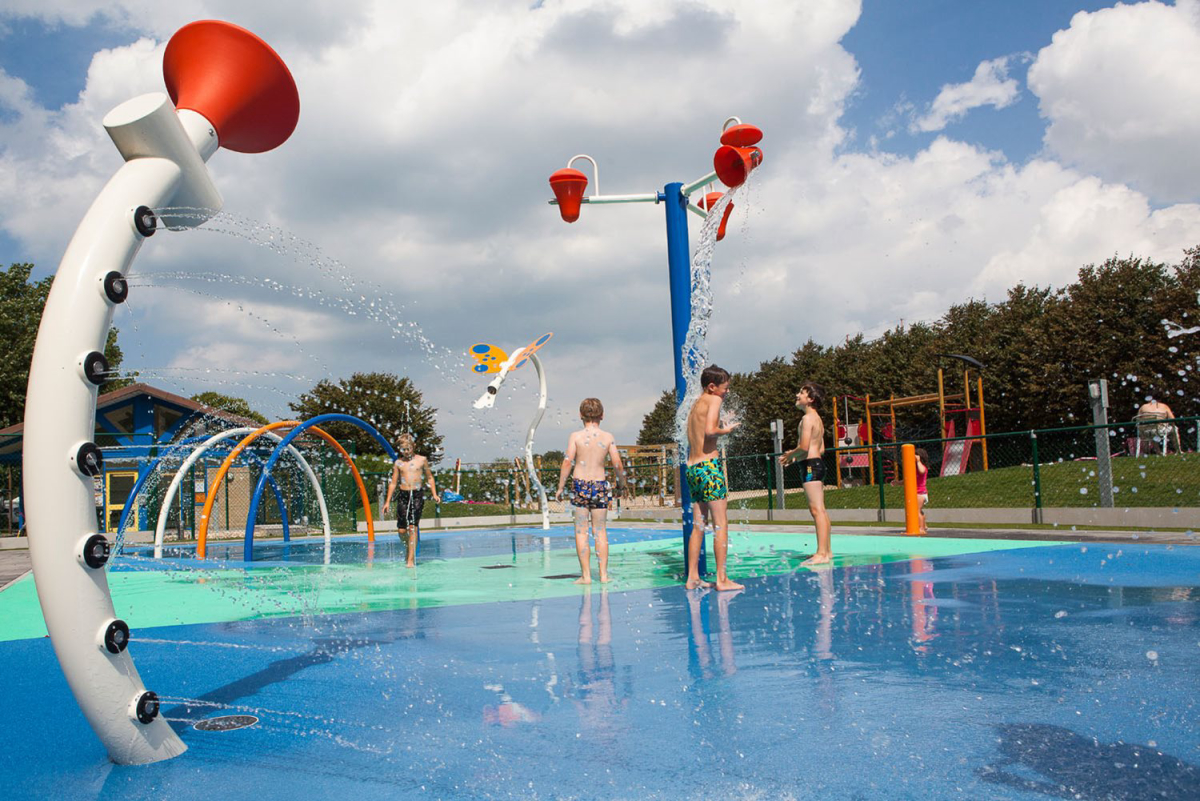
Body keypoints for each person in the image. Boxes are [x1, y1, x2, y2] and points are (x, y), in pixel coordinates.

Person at [555, 398, 628, 584]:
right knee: (600, 531)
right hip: (600, 485)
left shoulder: (575, 436)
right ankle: (603, 575)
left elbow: (567, 461)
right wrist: (622, 483)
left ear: (581, 415)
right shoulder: (608, 437)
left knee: (581, 531)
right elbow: (617, 463)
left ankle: (586, 576)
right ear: (602, 415)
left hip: (580, 485)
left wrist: (561, 486)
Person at [683, 365, 743, 591]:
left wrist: (720, 423)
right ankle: (721, 579)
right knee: (721, 524)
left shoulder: (696, 404)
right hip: (709, 467)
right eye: (725, 388)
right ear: (712, 387)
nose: (726, 392)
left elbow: (700, 431)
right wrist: (726, 430)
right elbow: (709, 431)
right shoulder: (714, 400)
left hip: (693, 468)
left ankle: (693, 577)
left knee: (699, 525)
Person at [780, 382, 832, 565]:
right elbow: (821, 448)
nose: (797, 395)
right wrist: (799, 457)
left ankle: (821, 553)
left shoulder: (807, 419)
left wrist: (790, 454)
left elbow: (804, 446)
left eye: (801, 393)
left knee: (816, 510)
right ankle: (827, 551)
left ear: (810, 399)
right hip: (816, 463)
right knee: (821, 510)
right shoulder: (818, 419)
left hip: (810, 466)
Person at [382, 433, 439, 567]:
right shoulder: (398, 463)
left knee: (413, 527)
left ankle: (410, 560)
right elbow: (393, 483)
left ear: (413, 446)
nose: (406, 452)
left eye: (408, 449)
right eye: (403, 449)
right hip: (403, 495)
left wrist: (434, 494)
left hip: (417, 495)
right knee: (402, 531)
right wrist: (387, 502)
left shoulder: (422, 460)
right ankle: (409, 547)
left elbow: (430, 477)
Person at [914, 447, 930, 534]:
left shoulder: (922, 467)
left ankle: (921, 528)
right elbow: (908, 480)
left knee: (916, 510)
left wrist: (918, 461)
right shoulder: (914, 469)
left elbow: (922, 471)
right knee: (919, 510)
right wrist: (897, 483)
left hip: (920, 493)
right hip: (918, 493)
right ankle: (924, 526)